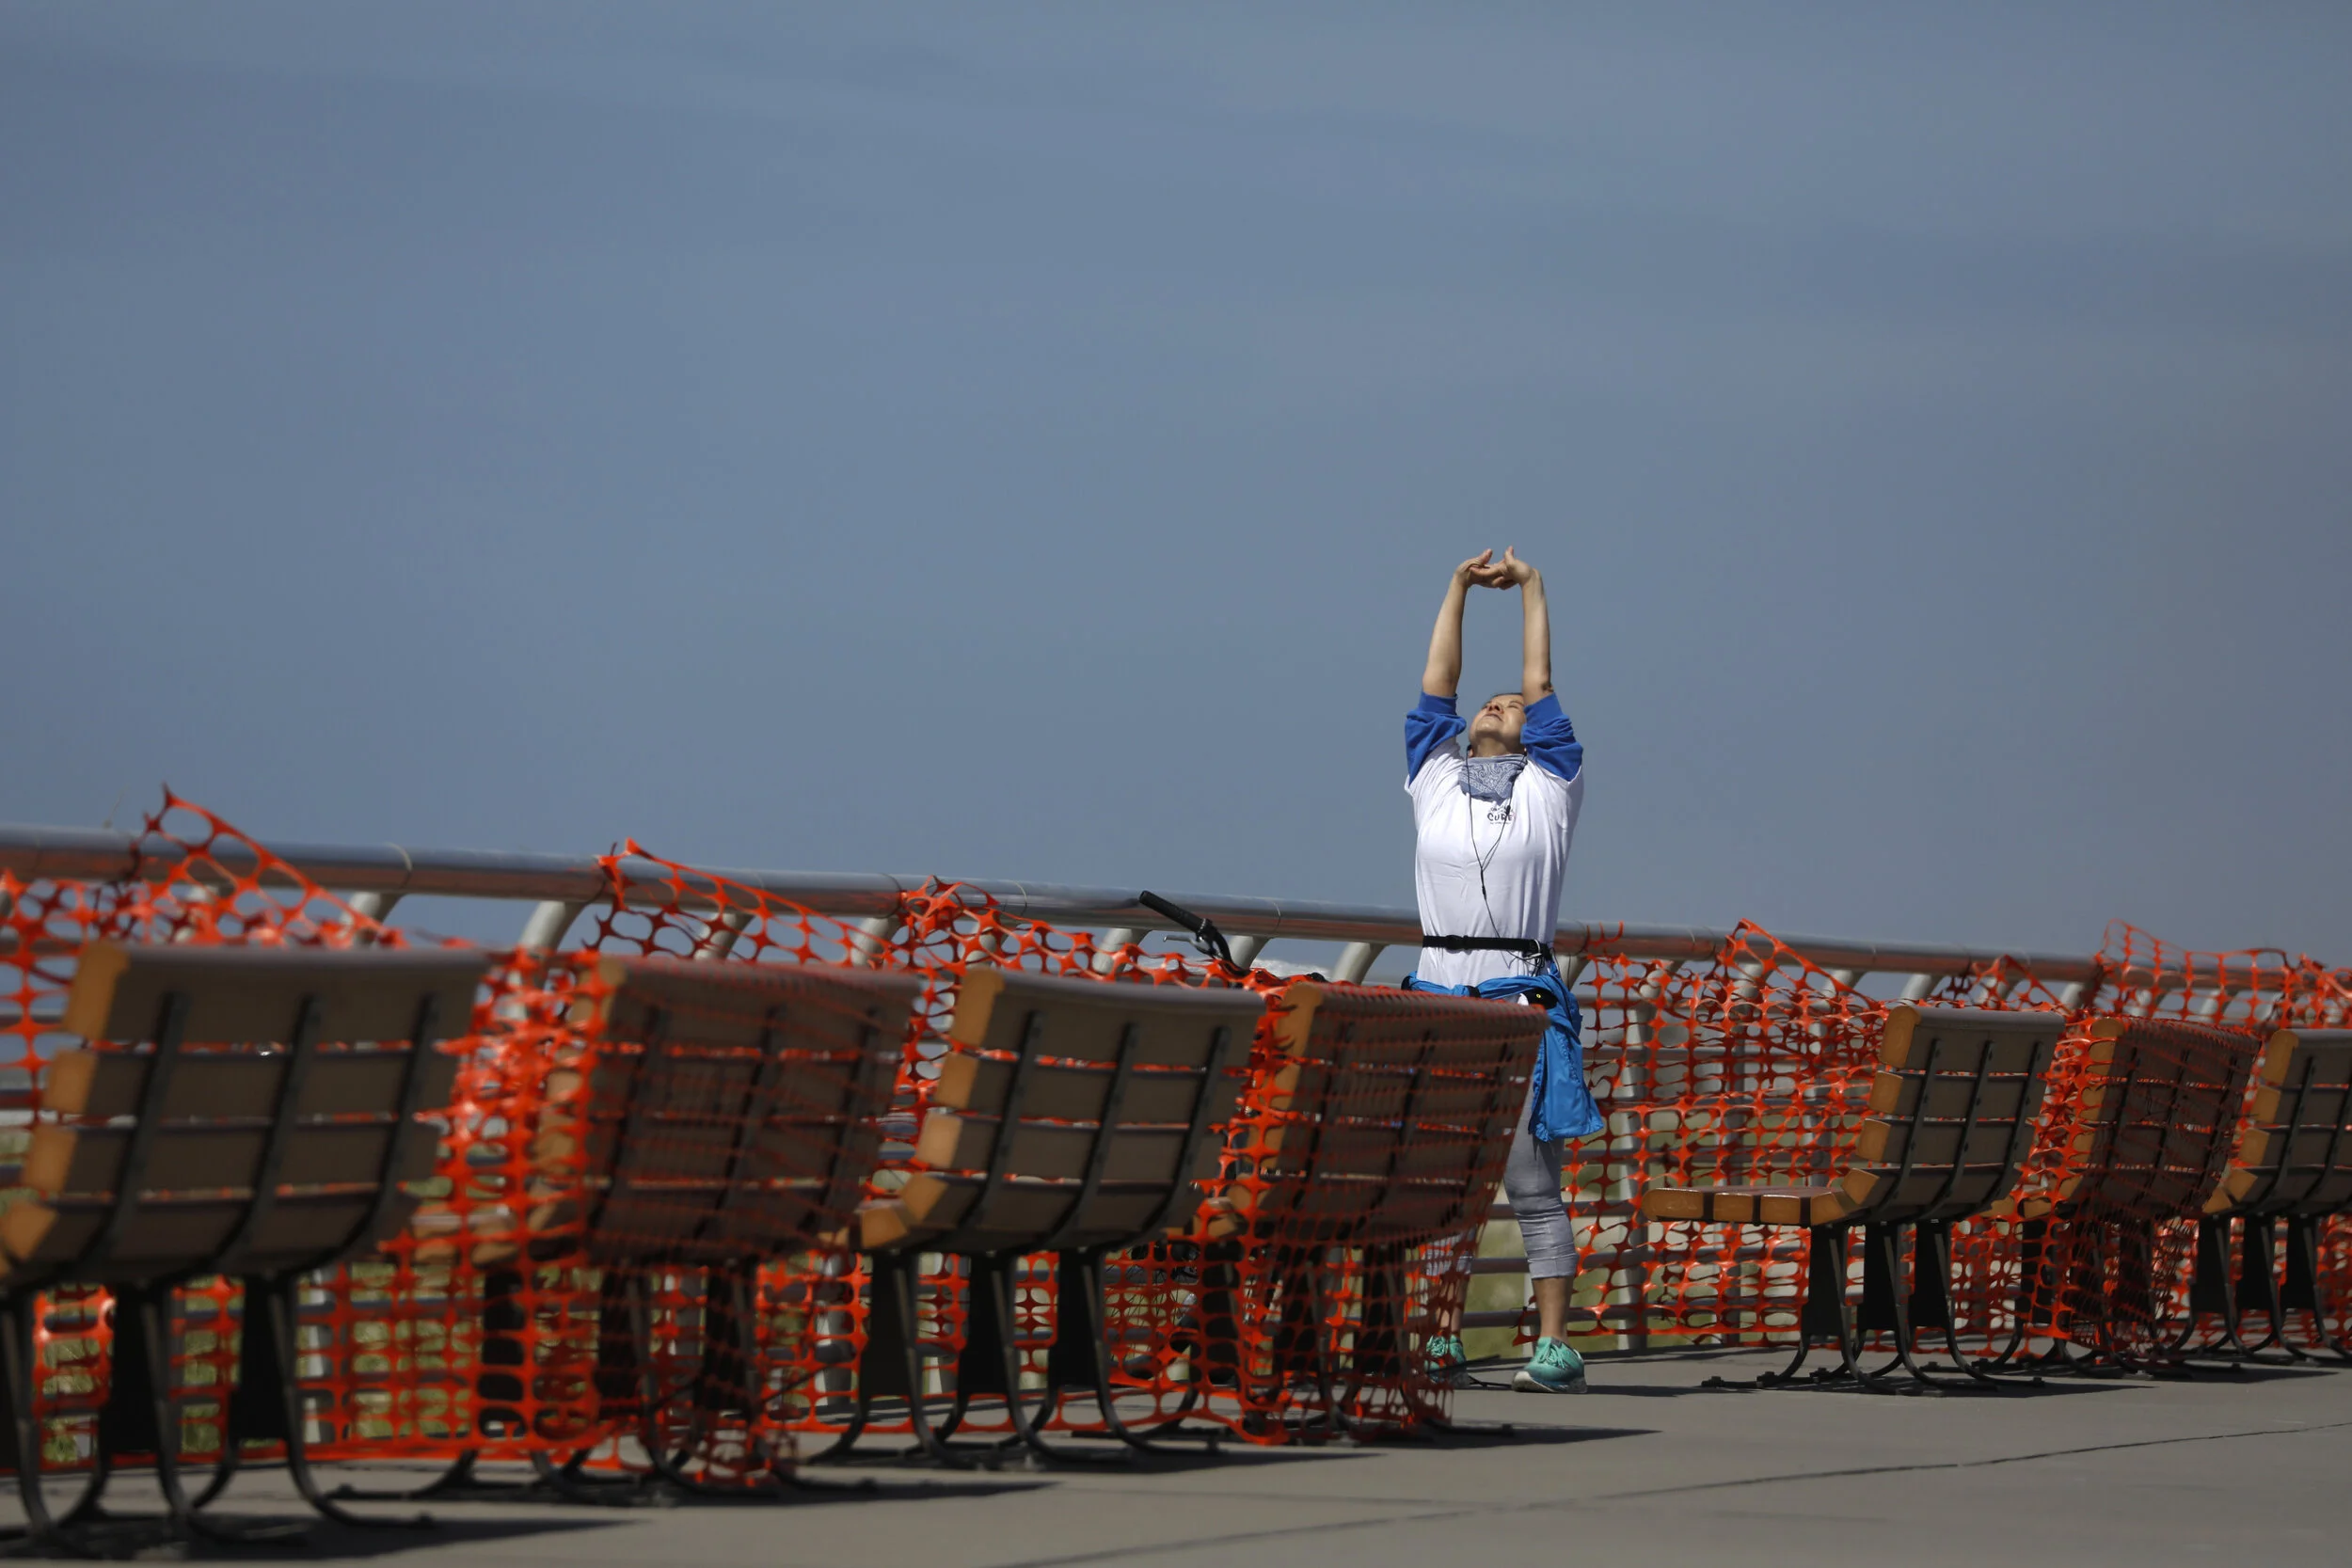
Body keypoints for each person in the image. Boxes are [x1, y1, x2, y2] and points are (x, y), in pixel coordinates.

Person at [1402, 546, 1603, 1395]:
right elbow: (1436, 685)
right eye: (1493, 700)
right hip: (1442, 997)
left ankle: (1554, 1348)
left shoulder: (1553, 787)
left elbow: (1542, 673)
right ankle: (1440, 1337)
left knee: (1526, 1176)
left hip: (1516, 997)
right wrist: (1453, 586)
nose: (1501, 701)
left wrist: (1530, 588)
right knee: (1446, 1183)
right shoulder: (1433, 776)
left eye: (1516, 705)